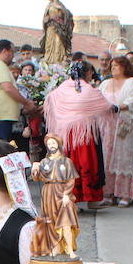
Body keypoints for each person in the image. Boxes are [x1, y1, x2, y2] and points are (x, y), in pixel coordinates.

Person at [43, 62, 113, 206]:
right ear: (87, 73)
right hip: (86, 135)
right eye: (90, 72)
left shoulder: (62, 88)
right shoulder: (88, 89)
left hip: (66, 136)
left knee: (69, 165)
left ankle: (70, 201)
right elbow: (105, 106)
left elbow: (50, 99)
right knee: (89, 164)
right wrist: (116, 108)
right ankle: (91, 200)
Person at [0, 39, 39, 142]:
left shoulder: (0, 66)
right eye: (12, 52)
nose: (13, 56)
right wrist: (27, 103)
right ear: (5, 51)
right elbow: (8, 88)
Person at [99, 57, 133, 207]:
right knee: (106, 156)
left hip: (123, 123)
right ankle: (107, 193)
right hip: (106, 125)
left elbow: (132, 100)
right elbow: (98, 99)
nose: (113, 68)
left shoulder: (131, 82)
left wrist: (117, 107)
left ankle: (125, 194)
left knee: (123, 156)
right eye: (112, 66)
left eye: (117, 65)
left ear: (124, 67)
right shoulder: (105, 83)